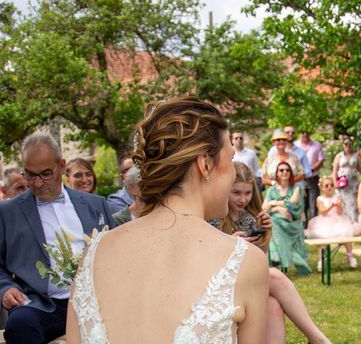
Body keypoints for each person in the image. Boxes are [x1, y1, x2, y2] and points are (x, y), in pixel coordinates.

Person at [66, 97, 268, 343]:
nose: (235, 172)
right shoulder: (244, 261)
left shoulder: (94, 254)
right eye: (231, 158)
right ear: (205, 164)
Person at [0, 133, 114, 344]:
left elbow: (117, 253)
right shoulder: (8, 212)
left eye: (45, 174)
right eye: (30, 175)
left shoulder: (96, 204)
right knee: (19, 324)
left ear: (61, 166)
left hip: (96, 302)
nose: (37, 183)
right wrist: (6, 288)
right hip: (42, 305)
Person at [211, 162, 331, 344]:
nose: (243, 199)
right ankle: (317, 338)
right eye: (236, 193)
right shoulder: (213, 218)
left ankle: (316, 338)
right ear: (225, 189)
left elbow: (259, 260)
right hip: (219, 284)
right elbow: (208, 260)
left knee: (273, 305)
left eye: (248, 193)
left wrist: (266, 234)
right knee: (274, 274)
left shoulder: (249, 219)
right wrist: (231, 243)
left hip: (245, 282)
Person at [262, 161, 311, 275]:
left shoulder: (296, 188)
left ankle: (276, 259)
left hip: (292, 223)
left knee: (273, 223)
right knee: (273, 222)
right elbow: (264, 207)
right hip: (277, 222)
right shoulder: (272, 190)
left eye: (287, 170)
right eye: (281, 170)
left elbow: (292, 204)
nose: (285, 172)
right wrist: (279, 209)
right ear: (277, 173)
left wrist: (273, 204)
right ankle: (276, 259)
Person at [306, 176, 358, 270]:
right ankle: (321, 260)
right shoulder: (320, 199)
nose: (329, 187)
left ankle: (350, 256)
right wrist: (331, 206)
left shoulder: (337, 197)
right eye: (327, 186)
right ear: (321, 188)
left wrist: (338, 206)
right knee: (322, 239)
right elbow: (323, 211)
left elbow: (340, 212)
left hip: (338, 220)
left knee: (347, 234)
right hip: (325, 221)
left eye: (331, 185)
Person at [331, 136, 361, 223]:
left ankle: (354, 221)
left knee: (353, 202)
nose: (348, 146)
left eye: (349, 144)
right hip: (342, 182)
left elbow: (360, 169)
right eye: (345, 144)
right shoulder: (339, 156)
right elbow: (334, 170)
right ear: (343, 145)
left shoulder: (355, 155)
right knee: (343, 202)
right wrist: (335, 183)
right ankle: (344, 221)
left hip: (353, 182)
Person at [295, 130, 326, 220]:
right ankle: (303, 228)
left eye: (307, 132)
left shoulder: (317, 145)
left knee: (313, 205)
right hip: (299, 179)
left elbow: (321, 160)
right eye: (302, 132)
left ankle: (313, 227)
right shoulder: (295, 145)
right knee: (302, 204)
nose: (305, 134)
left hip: (313, 178)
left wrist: (309, 170)